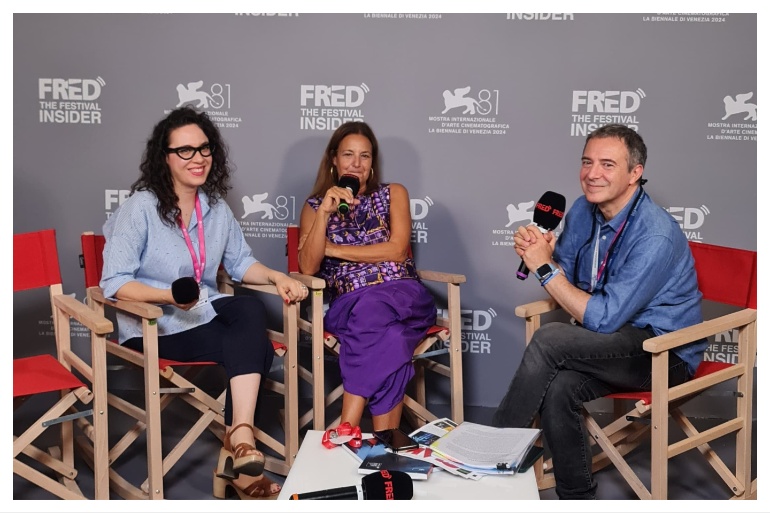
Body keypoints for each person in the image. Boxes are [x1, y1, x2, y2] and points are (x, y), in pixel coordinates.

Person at [100, 107, 308, 499]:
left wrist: (279, 277)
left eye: (204, 148)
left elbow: (241, 264)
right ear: (165, 158)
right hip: (152, 324)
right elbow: (113, 283)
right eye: (185, 151)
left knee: (248, 309)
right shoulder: (141, 207)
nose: (198, 158)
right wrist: (168, 297)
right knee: (253, 345)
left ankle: (239, 440)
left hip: (203, 312)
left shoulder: (215, 208)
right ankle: (239, 461)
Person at [492, 124, 705, 499]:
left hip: (664, 350)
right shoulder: (581, 209)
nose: (593, 173)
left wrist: (544, 268)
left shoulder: (655, 233)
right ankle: (577, 497)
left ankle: (492, 454)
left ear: (634, 173)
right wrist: (543, 251)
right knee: (559, 387)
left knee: (549, 338)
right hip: (615, 341)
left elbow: (604, 317)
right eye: (587, 162)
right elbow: (568, 283)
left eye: (608, 164)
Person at [297, 121, 437, 436]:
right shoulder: (315, 206)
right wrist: (324, 216)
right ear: (334, 159)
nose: (357, 164)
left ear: (373, 162)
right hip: (349, 304)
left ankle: (347, 424)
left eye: (365, 156)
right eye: (348, 155)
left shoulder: (393, 194)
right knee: (393, 338)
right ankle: (386, 444)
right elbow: (307, 267)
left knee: (372, 308)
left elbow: (399, 251)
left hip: (403, 294)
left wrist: (333, 249)